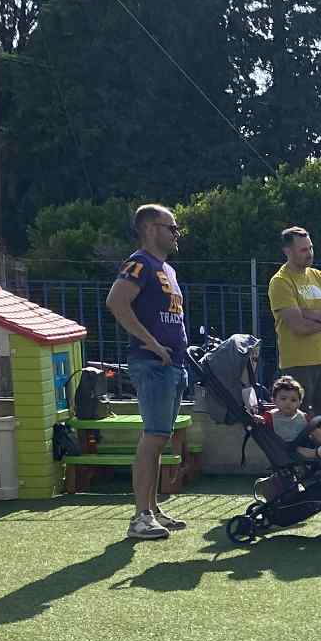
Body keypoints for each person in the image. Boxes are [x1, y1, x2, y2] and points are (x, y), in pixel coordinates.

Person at [104, 203, 189, 542]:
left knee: (159, 437)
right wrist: (152, 344)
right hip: (153, 364)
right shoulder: (139, 263)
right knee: (153, 437)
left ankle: (151, 509)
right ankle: (140, 516)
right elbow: (116, 302)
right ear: (151, 229)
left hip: (172, 364)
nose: (176, 234)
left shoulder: (167, 269)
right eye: (172, 228)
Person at [267, 227, 321, 420]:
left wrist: (311, 314)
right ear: (287, 251)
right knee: (300, 421)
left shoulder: (319, 277)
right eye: (303, 249)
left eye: (310, 248)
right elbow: (299, 327)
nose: (309, 253)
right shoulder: (280, 281)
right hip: (297, 363)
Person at [262, 374, 321, 464]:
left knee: (315, 431)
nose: (288, 403)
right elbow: (262, 424)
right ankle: (320, 454)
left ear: (299, 402)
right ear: (274, 400)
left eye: (293, 400)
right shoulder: (270, 416)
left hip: (304, 443)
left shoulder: (302, 416)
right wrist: (259, 419)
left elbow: (315, 431)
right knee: (300, 450)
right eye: (283, 399)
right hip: (286, 448)